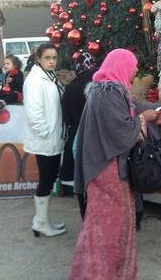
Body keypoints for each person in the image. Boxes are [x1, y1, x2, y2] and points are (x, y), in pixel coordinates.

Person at [69, 49, 159, 280]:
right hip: (106, 170)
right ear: (122, 65)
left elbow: (133, 109)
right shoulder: (108, 93)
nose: (136, 70)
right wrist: (142, 120)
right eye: (134, 64)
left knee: (111, 226)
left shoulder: (110, 91)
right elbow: (119, 131)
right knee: (108, 229)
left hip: (106, 168)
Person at [23, 43, 66, 237]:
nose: (51, 61)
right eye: (47, 58)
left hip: (53, 139)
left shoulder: (50, 77)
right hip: (45, 141)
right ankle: (40, 222)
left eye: (54, 58)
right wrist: (47, 134)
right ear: (38, 58)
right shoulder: (34, 81)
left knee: (49, 180)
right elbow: (34, 114)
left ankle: (43, 220)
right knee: (46, 181)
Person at [60, 52, 97, 219]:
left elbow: (66, 117)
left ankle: (85, 215)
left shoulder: (70, 87)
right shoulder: (100, 84)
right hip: (96, 135)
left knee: (80, 179)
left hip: (77, 134)